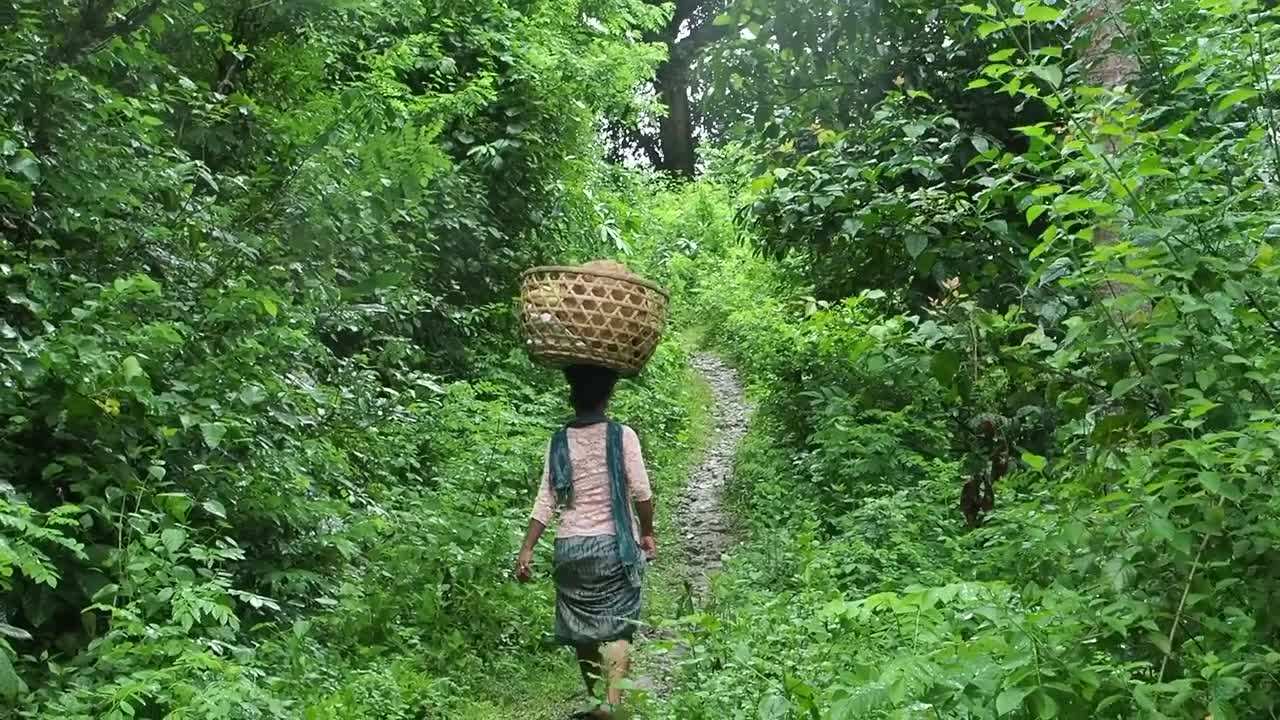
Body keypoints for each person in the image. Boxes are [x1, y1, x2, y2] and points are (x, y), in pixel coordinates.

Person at [515, 364, 657, 719]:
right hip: (613, 548)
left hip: (571, 549)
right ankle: (610, 704)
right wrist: (648, 532)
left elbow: (546, 499)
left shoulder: (559, 439)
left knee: (582, 629)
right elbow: (641, 493)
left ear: (572, 396)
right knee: (619, 625)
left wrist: (528, 546)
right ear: (608, 396)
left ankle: (596, 700)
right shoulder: (622, 436)